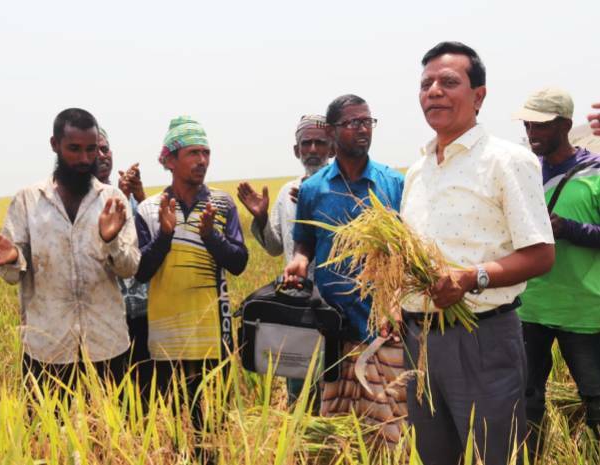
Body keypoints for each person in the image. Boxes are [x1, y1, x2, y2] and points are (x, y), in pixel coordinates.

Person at [400, 42, 555, 465]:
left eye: (449, 82)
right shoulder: (417, 171)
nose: (434, 91)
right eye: (426, 84)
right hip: (419, 342)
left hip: (480, 338)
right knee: (432, 456)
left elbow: (541, 254)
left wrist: (472, 277)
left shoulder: (507, 161)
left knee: (493, 456)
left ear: (479, 96)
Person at [0, 108, 139, 396]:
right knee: (46, 424)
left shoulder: (112, 200)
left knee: (112, 422)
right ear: (55, 145)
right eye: (74, 149)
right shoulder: (28, 200)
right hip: (47, 346)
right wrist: (13, 258)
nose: (85, 159)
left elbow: (129, 268)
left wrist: (111, 240)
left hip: (107, 343)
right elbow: (11, 275)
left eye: (91, 149)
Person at [283, 96, 406, 445]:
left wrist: (396, 301)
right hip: (331, 326)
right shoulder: (313, 189)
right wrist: (299, 262)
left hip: (383, 324)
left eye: (367, 121)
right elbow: (304, 243)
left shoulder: (392, 183)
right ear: (332, 131)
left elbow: (405, 252)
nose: (362, 129)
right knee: (336, 433)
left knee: (389, 429)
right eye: (352, 123)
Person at [134, 116, 248, 439]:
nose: (202, 161)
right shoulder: (149, 210)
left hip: (214, 339)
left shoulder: (222, 204)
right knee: (173, 433)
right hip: (165, 342)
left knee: (214, 434)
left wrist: (211, 236)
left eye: (206, 153)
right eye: (193, 153)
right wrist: (164, 236)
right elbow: (140, 271)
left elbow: (239, 263)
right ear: (170, 160)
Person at [513, 88, 600, 454]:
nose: (532, 133)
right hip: (529, 308)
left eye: (542, 125)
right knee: (525, 400)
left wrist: (568, 229)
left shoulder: (595, 172)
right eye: (528, 125)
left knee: (595, 401)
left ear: (565, 125)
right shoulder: (522, 172)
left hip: (584, 311)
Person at [237, 114, 332, 407]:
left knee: (336, 388)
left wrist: (315, 205)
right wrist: (261, 218)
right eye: (306, 143)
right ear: (296, 150)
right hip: (297, 306)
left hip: (335, 306)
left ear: (332, 147)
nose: (313, 149)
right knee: (299, 392)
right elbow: (275, 247)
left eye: (320, 143)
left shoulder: (342, 188)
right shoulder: (286, 193)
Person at [95, 127, 153, 401]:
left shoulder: (128, 197)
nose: (101, 155)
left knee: (145, 394)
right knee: (109, 396)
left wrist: (139, 197)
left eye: (104, 149)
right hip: (105, 318)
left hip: (142, 313)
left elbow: (156, 238)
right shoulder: (80, 204)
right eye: (93, 150)